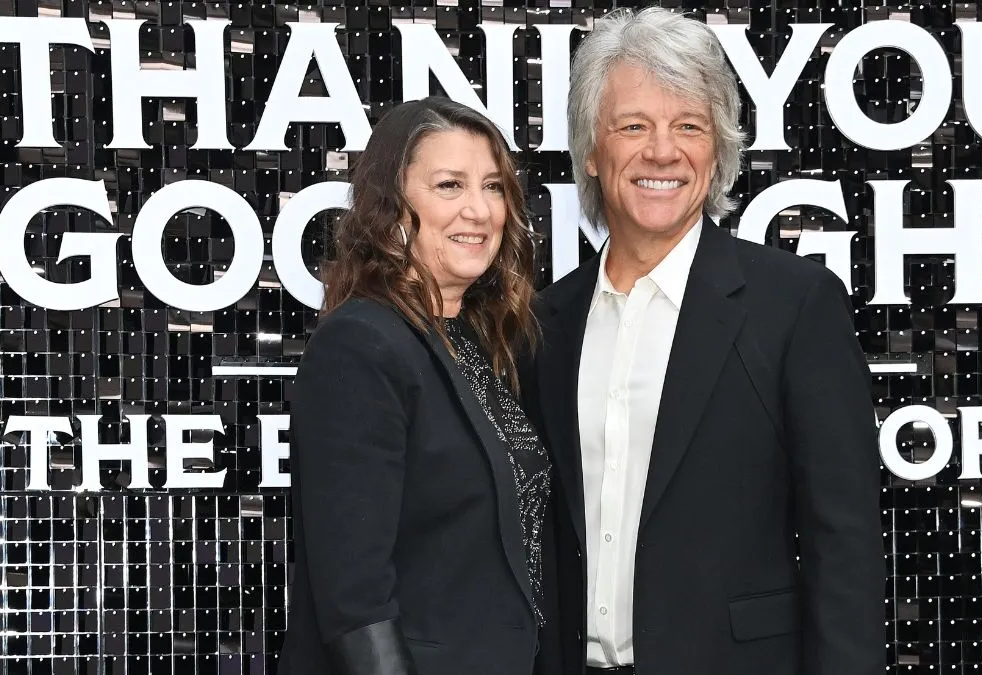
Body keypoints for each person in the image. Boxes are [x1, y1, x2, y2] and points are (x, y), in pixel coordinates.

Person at [522, 8, 885, 675]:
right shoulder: (546, 322)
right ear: (592, 153)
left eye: (688, 126)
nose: (662, 151)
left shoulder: (795, 306)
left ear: (717, 151)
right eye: (633, 126)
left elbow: (846, 545)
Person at [277, 96, 551, 675]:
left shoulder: (483, 344)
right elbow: (354, 600)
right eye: (450, 186)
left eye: (494, 187)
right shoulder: (360, 345)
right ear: (389, 206)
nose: (479, 210)